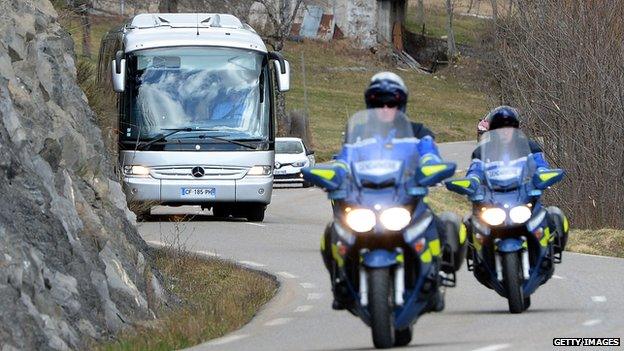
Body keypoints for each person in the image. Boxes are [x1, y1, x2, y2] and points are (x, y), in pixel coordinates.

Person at [322, 72, 463, 310]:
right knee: (332, 233)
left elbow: (429, 153)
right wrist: (333, 175)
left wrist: (431, 166)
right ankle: (341, 284)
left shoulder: (419, 132)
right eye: (379, 103)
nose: (386, 108)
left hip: (406, 199)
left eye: (392, 103)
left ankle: (437, 274)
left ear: (402, 104)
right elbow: (343, 161)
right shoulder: (357, 136)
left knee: (442, 227)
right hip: (365, 201)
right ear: (370, 105)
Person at [464, 106, 569, 253]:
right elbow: (474, 171)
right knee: (468, 224)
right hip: (493, 200)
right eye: (500, 128)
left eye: (509, 127)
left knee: (554, 216)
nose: (505, 132)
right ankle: (477, 256)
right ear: (492, 131)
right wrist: (472, 181)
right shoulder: (481, 152)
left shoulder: (530, 147)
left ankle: (549, 251)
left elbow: (541, 165)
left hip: (523, 198)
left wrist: (543, 174)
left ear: (517, 128)